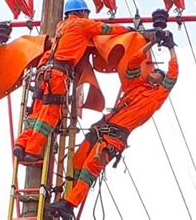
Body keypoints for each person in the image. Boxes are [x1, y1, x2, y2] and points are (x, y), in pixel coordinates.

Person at [46, 30, 179, 219]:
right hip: (100, 130)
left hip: (113, 139)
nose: (153, 71)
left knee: (89, 169)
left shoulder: (157, 96)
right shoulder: (136, 86)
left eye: (158, 71)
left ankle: (69, 205)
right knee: (76, 163)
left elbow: (173, 75)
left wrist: (171, 48)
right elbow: (133, 62)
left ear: (161, 80)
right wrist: (151, 43)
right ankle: (63, 200)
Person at [13, 0, 134, 162]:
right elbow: (105, 29)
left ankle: (21, 143)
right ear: (80, 12)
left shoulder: (61, 26)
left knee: (36, 110)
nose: (87, 16)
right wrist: (126, 29)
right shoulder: (82, 24)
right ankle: (32, 150)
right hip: (58, 73)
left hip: (44, 71)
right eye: (86, 13)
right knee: (51, 113)